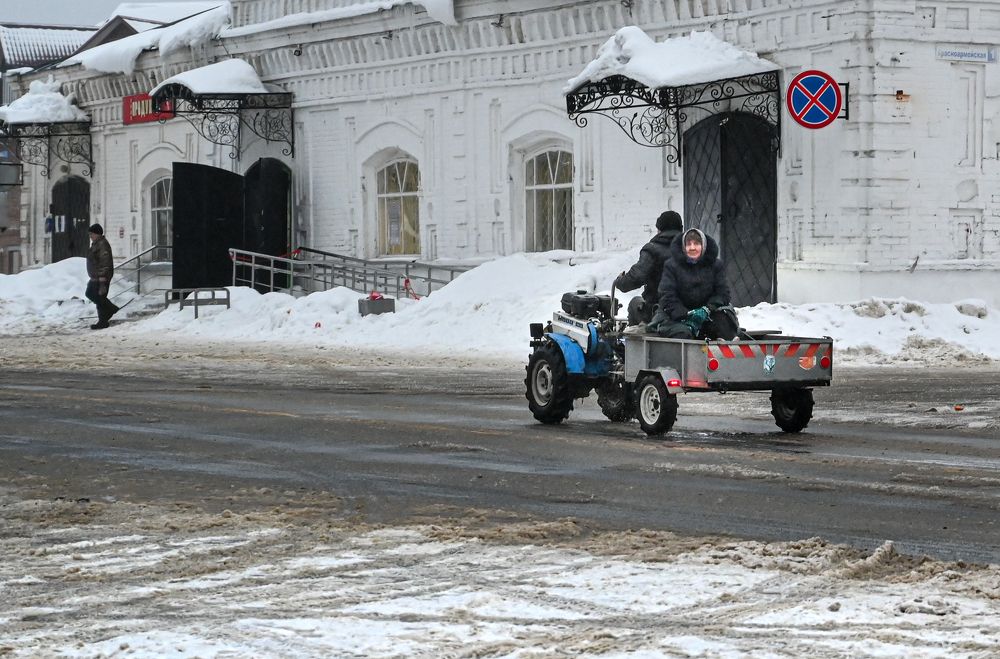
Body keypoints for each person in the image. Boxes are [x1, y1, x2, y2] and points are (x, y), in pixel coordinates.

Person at [648, 227, 739, 340]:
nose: (692, 248)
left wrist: (707, 309)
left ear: (704, 246)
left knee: (724, 326)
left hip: (708, 314)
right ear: (683, 247)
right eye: (688, 244)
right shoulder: (671, 266)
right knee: (682, 334)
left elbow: (723, 293)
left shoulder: (716, 265)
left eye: (696, 243)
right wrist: (686, 314)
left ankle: (728, 347)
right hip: (677, 316)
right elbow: (667, 295)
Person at [613, 210, 683, 325]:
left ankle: (636, 340)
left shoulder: (652, 250)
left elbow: (636, 277)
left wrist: (620, 282)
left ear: (659, 229)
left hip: (658, 311)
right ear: (681, 228)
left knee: (634, 303)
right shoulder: (691, 250)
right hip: (687, 311)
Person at [85, 223, 118, 330]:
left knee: (98, 296)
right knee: (94, 295)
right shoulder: (96, 243)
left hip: (101, 277)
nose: (90, 236)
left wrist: (102, 279)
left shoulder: (102, 244)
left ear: (98, 234)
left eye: (92, 234)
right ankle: (106, 315)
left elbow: (105, 262)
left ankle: (105, 317)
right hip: (95, 276)